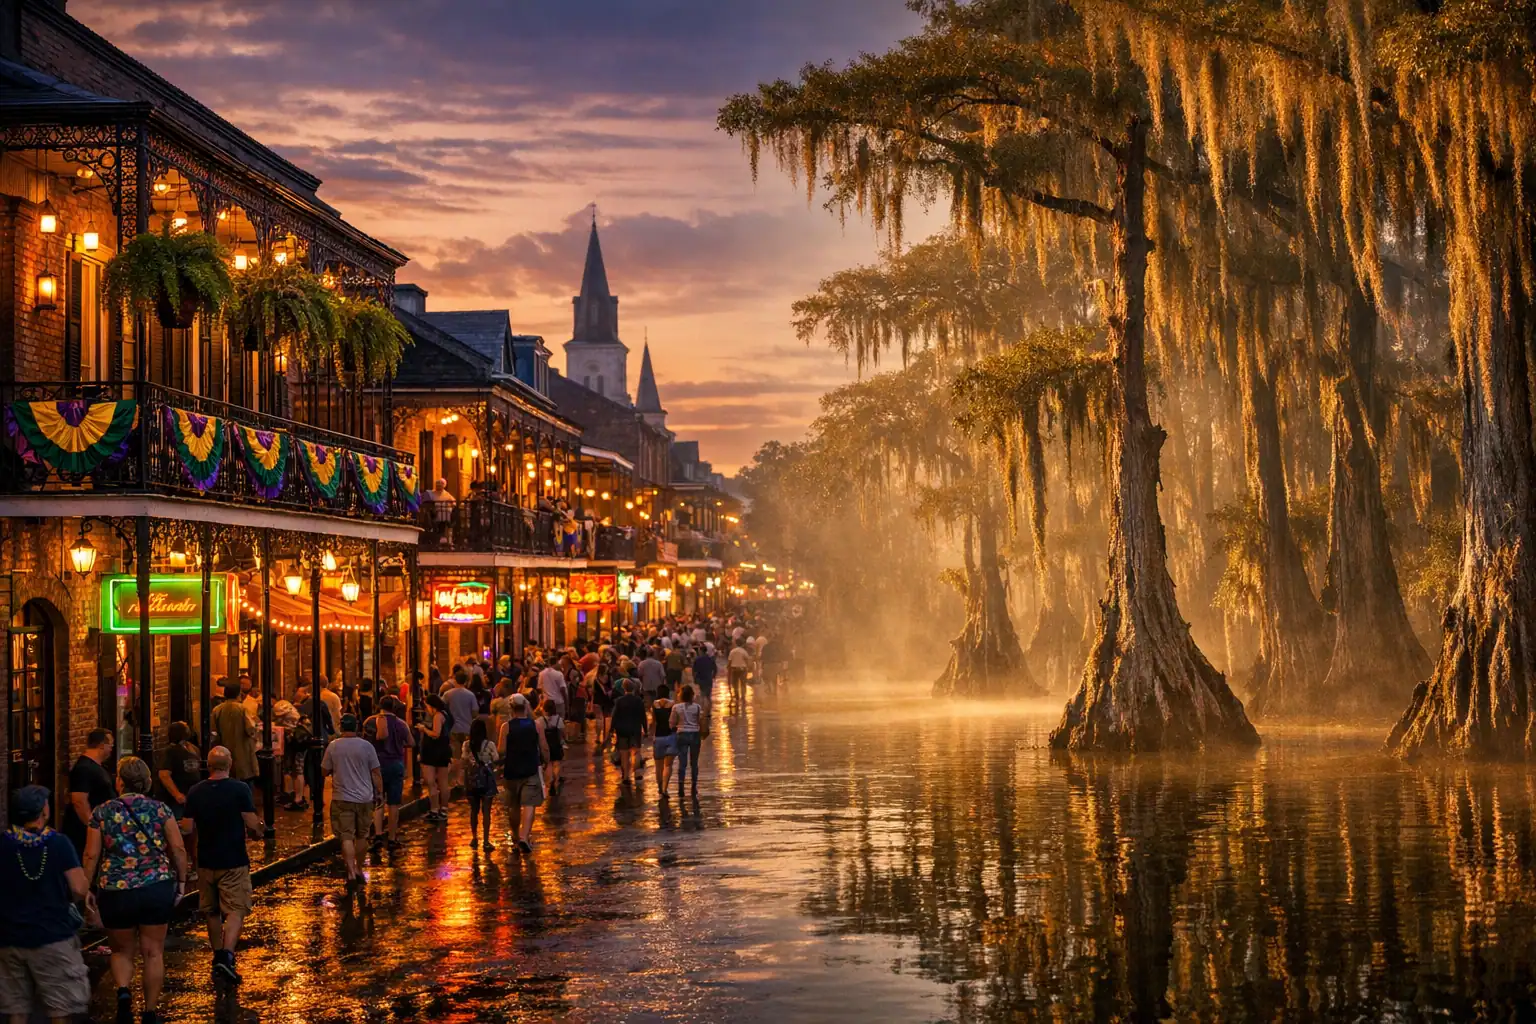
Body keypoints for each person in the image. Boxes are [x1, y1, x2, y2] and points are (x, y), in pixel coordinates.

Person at [83, 756, 188, 1024]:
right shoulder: (161, 810)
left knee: (120, 950)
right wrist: (182, 881)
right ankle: (150, 1011)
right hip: (155, 886)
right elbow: (177, 848)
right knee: (153, 951)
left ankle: (123, 993)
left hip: (116, 889)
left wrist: (87, 887)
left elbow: (91, 854)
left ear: (119, 781)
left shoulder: (102, 812)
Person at [0, 785, 90, 1024]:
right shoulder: (58, 844)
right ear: (43, 811)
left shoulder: (4, 844)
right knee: (60, 1007)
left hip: (9, 938)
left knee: (16, 1010)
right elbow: (79, 888)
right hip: (52, 936)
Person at [181, 747, 262, 985]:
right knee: (235, 908)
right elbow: (251, 822)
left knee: (211, 910)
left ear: (208, 765)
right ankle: (227, 956)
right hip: (233, 859)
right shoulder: (239, 789)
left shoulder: (195, 791)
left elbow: (187, 827)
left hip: (206, 860)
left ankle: (217, 955)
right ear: (230, 764)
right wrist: (260, 827)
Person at [321, 715, 382, 887]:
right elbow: (376, 773)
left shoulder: (333, 747)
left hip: (342, 798)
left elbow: (324, 771)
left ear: (341, 727)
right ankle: (358, 867)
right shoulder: (367, 746)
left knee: (346, 836)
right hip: (365, 798)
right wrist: (380, 793)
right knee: (362, 835)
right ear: (356, 727)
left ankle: (350, 871)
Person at [497, 694, 549, 853]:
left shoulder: (506, 727)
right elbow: (544, 746)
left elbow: (501, 750)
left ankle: (515, 835)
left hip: (512, 770)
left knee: (513, 805)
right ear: (526, 707)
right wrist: (547, 761)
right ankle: (524, 837)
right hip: (530, 769)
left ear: (511, 709)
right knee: (529, 804)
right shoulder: (535, 725)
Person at [366, 697, 413, 850]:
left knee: (378, 802)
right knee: (393, 804)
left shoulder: (371, 721)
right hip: (396, 764)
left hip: (378, 765)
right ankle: (392, 838)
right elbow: (411, 743)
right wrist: (400, 743)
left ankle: (378, 835)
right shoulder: (401, 724)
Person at [63, 728, 115, 857]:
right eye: (111, 745)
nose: (111, 749)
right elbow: (79, 801)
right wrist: (91, 827)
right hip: (82, 833)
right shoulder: (84, 768)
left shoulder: (97, 767)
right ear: (102, 746)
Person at [212, 681, 259, 784]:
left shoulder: (217, 710)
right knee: (245, 783)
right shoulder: (242, 708)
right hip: (243, 751)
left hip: (224, 750)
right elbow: (250, 728)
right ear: (238, 693)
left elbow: (214, 732)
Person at [415, 693, 453, 823]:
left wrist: (423, 729)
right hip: (443, 751)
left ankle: (435, 809)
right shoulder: (446, 715)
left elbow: (436, 734)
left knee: (431, 782)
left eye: (427, 706)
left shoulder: (437, 716)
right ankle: (443, 809)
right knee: (443, 782)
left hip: (432, 752)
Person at [464, 716, 499, 850]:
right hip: (487, 781)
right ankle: (485, 840)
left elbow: (463, 760)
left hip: (472, 782)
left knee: (474, 811)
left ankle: (474, 838)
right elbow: (495, 757)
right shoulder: (489, 745)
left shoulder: (466, 745)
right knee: (486, 812)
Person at [154, 721, 201, 821]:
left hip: (191, 798)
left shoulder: (192, 749)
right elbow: (164, 775)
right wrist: (177, 794)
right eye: (185, 727)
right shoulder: (170, 751)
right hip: (177, 801)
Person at [671, 684, 707, 800]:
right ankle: (694, 786)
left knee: (682, 762)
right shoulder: (697, 707)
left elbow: (672, 723)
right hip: (695, 734)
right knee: (694, 762)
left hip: (681, 734)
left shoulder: (676, 707)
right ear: (692, 695)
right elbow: (700, 720)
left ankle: (681, 786)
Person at [610, 679, 648, 786]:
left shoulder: (619, 701)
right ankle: (636, 774)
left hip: (622, 730)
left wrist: (611, 730)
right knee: (636, 752)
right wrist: (645, 729)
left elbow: (615, 716)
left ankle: (626, 776)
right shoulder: (638, 700)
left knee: (624, 754)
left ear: (624, 689)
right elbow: (643, 717)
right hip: (635, 730)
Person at [445, 672, 479, 782]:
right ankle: (463, 778)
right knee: (466, 755)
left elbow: (441, 708)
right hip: (467, 729)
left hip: (453, 728)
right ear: (466, 681)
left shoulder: (448, 694)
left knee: (455, 756)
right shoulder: (470, 695)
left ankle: (455, 780)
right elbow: (475, 712)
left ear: (455, 680)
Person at [651, 684, 678, 794]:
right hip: (671, 736)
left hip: (658, 737)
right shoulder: (673, 705)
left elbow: (653, 722)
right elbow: (675, 721)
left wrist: (652, 735)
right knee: (668, 765)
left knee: (658, 766)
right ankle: (665, 788)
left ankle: (659, 787)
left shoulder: (654, 705)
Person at [540, 698, 565, 794]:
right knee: (557, 763)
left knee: (549, 764)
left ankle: (550, 781)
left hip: (545, 745)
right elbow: (563, 733)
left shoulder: (540, 721)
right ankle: (556, 780)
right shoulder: (559, 720)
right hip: (557, 745)